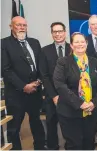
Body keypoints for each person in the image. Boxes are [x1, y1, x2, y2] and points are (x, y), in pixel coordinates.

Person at [53, 32, 97, 150]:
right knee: (74, 145)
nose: (80, 44)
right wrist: (80, 104)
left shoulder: (95, 62)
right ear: (71, 45)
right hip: (70, 112)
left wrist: (94, 102)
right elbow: (60, 85)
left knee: (89, 144)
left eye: (82, 41)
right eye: (76, 42)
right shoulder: (63, 62)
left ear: (86, 44)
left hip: (91, 112)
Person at [1, 16, 46, 150]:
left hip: (35, 91)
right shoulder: (3, 44)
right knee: (14, 128)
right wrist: (23, 86)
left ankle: (39, 147)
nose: (22, 28)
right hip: (16, 95)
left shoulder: (34, 42)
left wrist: (38, 82)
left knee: (36, 123)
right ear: (11, 27)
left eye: (24, 25)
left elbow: (41, 65)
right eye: (18, 25)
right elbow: (5, 69)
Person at [39, 22, 71, 150]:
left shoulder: (73, 48)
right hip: (51, 96)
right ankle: (53, 147)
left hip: (71, 96)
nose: (57, 34)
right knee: (51, 124)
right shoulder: (44, 51)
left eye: (60, 31)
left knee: (69, 124)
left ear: (65, 32)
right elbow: (44, 75)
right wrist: (54, 96)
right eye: (55, 32)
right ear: (52, 34)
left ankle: (70, 147)